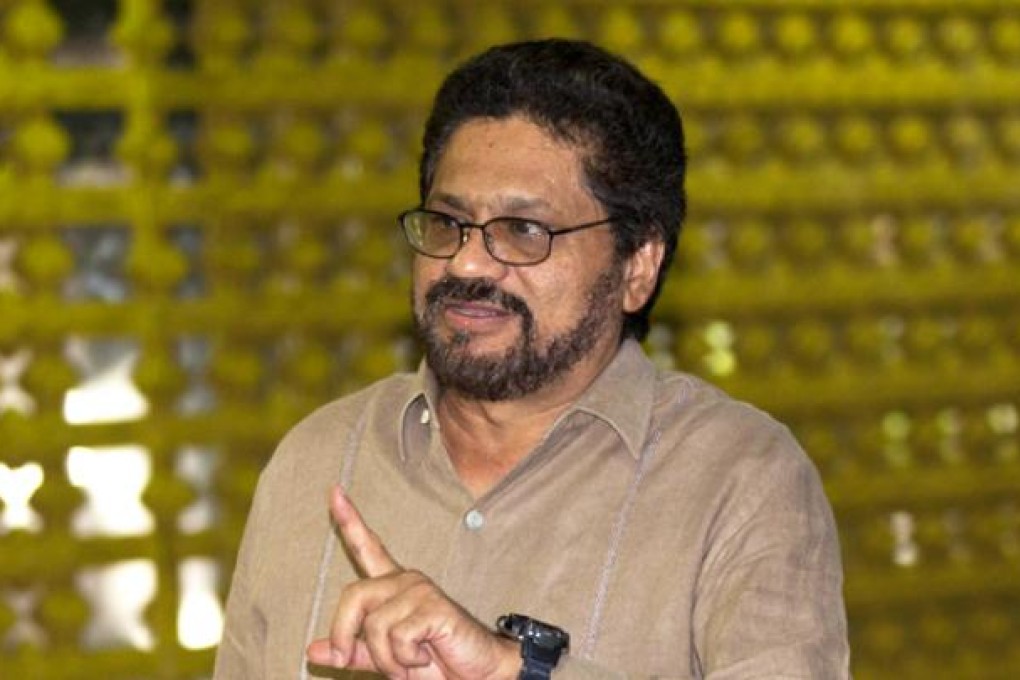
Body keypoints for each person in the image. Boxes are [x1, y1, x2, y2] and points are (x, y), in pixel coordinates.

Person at [214, 38, 850, 679]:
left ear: (637, 267)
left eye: (524, 231)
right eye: (448, 223)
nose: (466, 263)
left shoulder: (739, 480)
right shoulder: (320, 459)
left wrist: (513, 671)